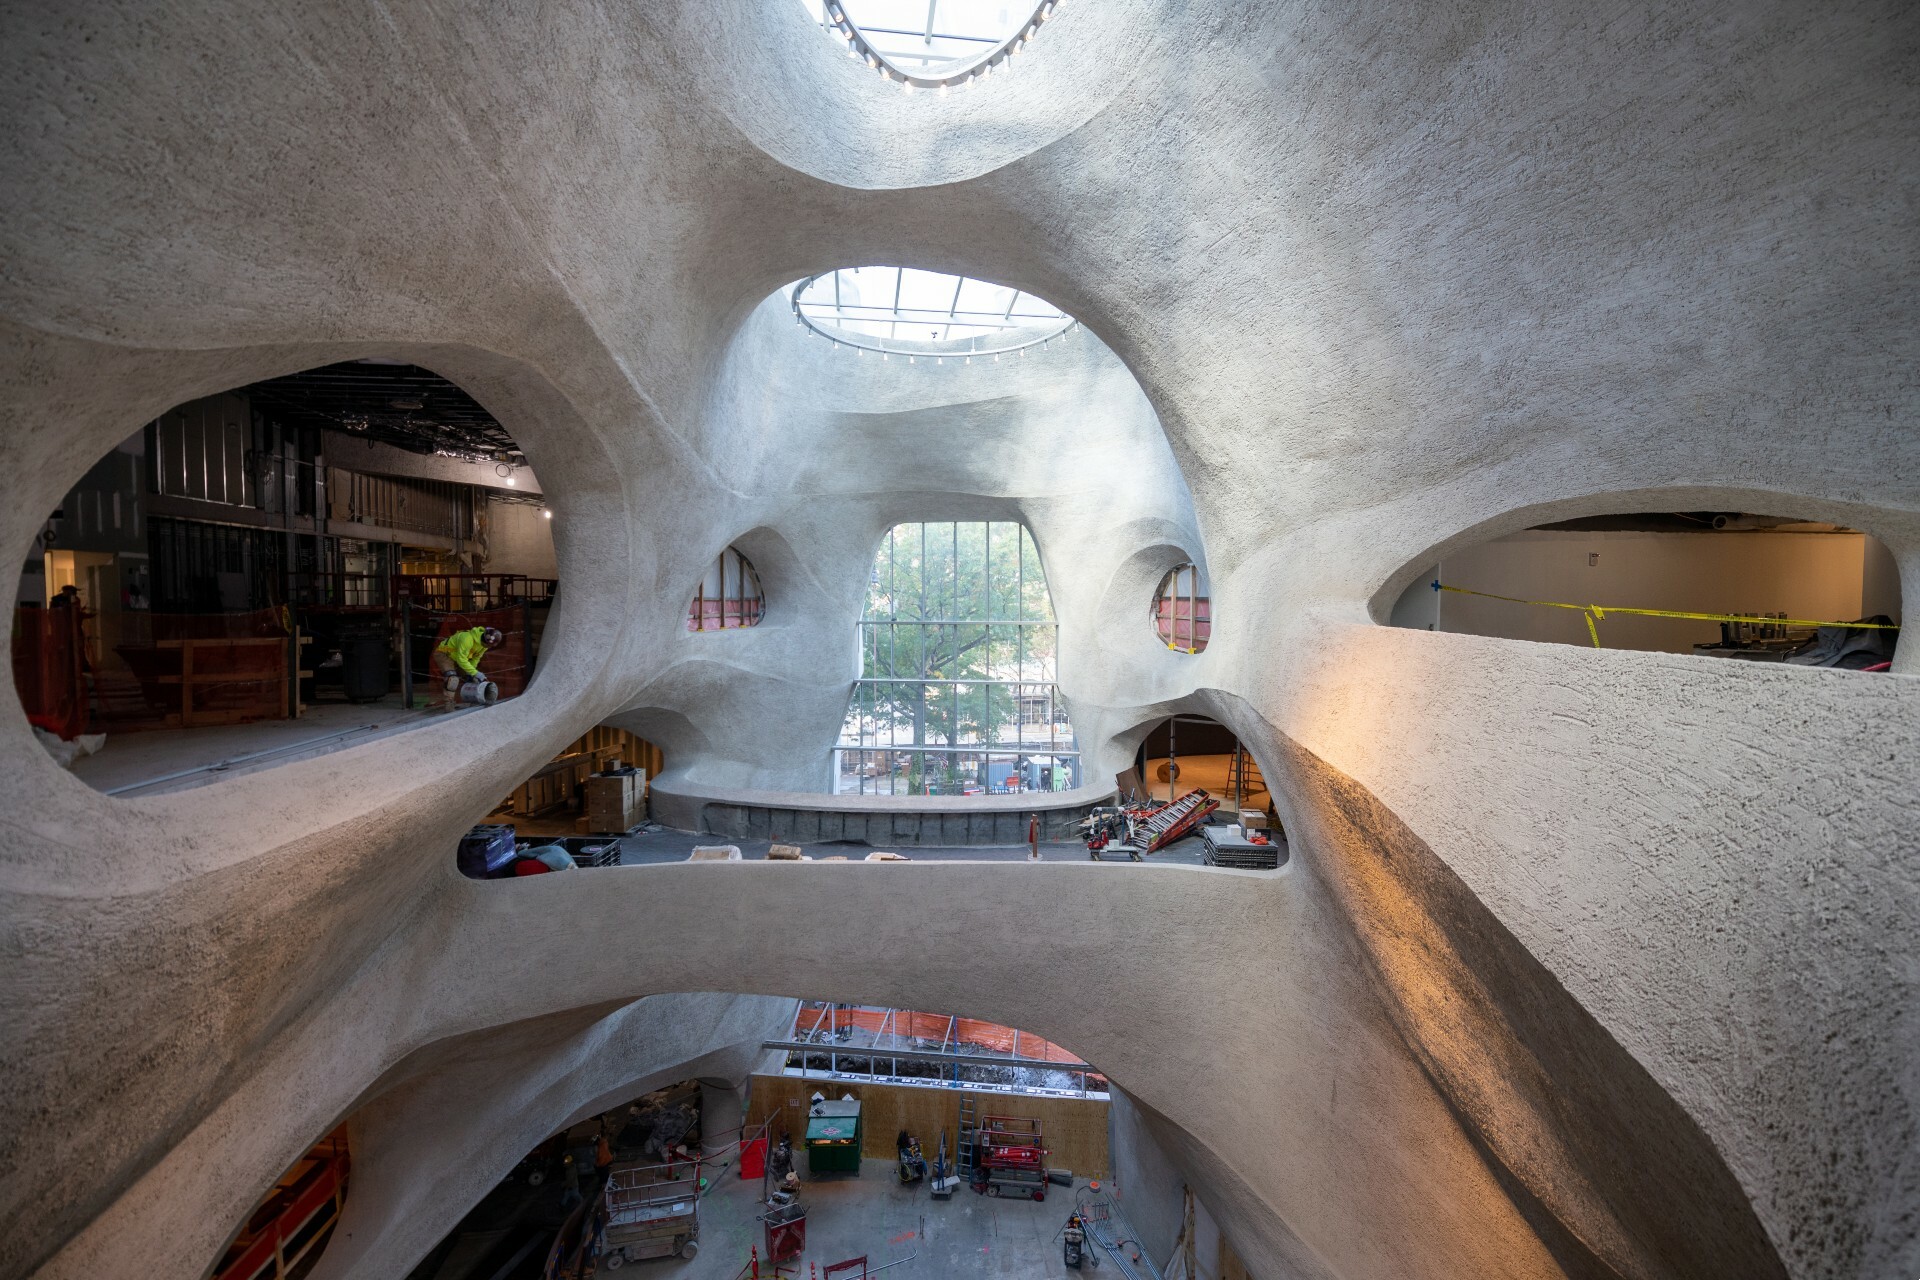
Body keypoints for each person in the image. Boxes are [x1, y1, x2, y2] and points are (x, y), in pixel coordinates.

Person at [431, 625, 501, 709]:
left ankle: (475, 703)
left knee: (474, 678)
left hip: (459, 657)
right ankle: (449, 705)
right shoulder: (467, 639)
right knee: (452, 678)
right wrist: (475, 672)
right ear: (484, 638)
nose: (488, 647)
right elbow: (461, 660)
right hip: (444, 654)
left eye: (490, 646)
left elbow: (476, 658)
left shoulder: (485, 645)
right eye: (487, 644)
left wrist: (471, 673)